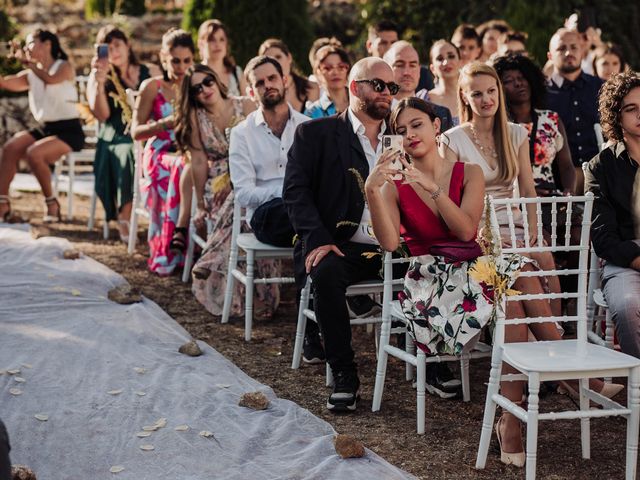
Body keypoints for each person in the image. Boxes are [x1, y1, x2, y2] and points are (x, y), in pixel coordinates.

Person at [283, 57, 397, 412]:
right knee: (327, 270)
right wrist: (316, 238)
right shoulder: (314, 134)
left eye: (392, 88)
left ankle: (433, 366)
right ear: (354, 87)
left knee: (436, 265)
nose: (387, 94)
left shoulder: (403, 137)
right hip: (339, 243)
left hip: (393, 245)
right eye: (378, 85)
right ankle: (344, 373)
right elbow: (295, 193)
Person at [172, 64, 276, 317]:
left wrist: (239, 179)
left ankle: (211, 258)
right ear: (192, 95)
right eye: (197, 88)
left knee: (242, 194)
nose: (205, 90)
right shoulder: (196, 119)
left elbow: (264, 147)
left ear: (216, 80)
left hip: (252, 175)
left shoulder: (246, 105)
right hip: (216, 182)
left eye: (207, 82)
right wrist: (199, 203)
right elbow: (198, 162)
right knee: (238, 199)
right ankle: (239, 287)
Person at [0, 29, 84, 223]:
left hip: (69, 130)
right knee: (10, 148)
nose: (27, 48)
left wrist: (28, 64)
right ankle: (2, 203)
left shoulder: (64, 67)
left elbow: (51, 79)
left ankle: (52, 204)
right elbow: (5, 83)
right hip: (45, 127)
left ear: (47, 44)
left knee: (34, 154)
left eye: (31, 43)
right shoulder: (30, 75)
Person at [585, 71, 640, 359]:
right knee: (628, 305)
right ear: (617, 116)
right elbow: (602, 236)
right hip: (624, 259)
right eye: (631, 109)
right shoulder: (600, 167)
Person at [228, 55, 309, 248]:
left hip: (306, 207)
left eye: (272, 78)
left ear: (285, 81)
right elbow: (244, 194)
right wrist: (284, 193)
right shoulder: (242, 134)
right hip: (268, 216)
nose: (268, 85)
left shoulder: (307, 127)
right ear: (250, 92)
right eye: (260, 83)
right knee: (298, 214)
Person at [131, 28, 193, 275]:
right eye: (175, 60)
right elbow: (135, 131)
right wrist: (165, 123)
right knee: (180, 167)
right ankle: (170, 246)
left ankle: (197, 247)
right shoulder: (152, 86)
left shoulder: (195, 86)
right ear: (163, 57)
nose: (180, 66)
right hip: (158, 151)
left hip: (188, 151)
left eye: (187, 61)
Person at [87, 25, 154, 242]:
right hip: (115, 134)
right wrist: (98, 81)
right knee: (128, 154)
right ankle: (124, 216)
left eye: (117, 45)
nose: (114, 51)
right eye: (107, 48)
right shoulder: (100, 76)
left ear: (128, 45)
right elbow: (102, 114)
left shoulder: (149, 71)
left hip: (147, 129)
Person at [493, 54, 575, 199]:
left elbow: (567, 165)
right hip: (512, 201)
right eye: (509, 81)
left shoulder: (551, 119)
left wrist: (569, 192)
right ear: (498, 88)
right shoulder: (497, 125)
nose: (518, 84)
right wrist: (527, 193)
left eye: (522, 77)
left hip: (551, 200)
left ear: (531, 80)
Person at [546, 28, 603, 195]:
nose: (568, 52)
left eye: (574, 47)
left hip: (601, 178)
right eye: (561, 48)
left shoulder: (601, 87)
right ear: (550, 56)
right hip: (557, 183)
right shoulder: (541, 94)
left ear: (582, 51)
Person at [383, 40, 454, 132]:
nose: (407, 72)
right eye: (399, 65)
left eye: (413, 65)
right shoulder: (374, 115)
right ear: (386, 69)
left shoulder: (441, 114)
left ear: (419, 71)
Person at [258, 39, 319, 113]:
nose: (276, 62)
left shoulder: (312, 87)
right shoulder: (264, 94)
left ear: (289, 57)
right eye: (270, 60)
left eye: (278, 57)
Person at [417, 39, 462, 129]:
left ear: (460, 62)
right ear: (432, 68)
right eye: (440, 59)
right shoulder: (423, 99)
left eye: (451, 56)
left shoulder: (473, 95)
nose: (446, 62)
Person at [196, 19, 246, 96]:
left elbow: (248, 104)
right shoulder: (195, 75)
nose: (217, 44)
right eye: (212, 40)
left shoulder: (236, 73)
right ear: (201, 44)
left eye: (221, 39)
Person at [304, 45, 350, 118]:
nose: (335, 72)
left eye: (341, 66)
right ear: (317, 73)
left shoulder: (362, 103)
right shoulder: (312, 113)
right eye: (328, 68)